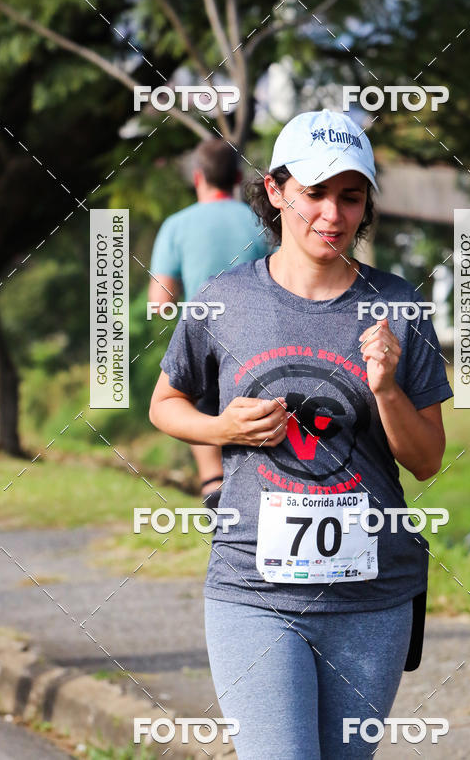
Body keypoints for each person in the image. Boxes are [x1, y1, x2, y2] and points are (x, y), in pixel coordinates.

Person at [149, 109, 453, 759]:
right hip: (254, 593)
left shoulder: (397, 306)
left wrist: (387, 389)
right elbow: (165, 402)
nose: (333, 215)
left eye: (350, 196)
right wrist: (220, 425)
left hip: (373, 597)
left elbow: (426, 461)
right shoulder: (224, 300)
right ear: (275, 190)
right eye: (314, 193)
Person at [149, 138, 269, 508]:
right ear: (237, 177)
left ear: (197, 177)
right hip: (262, 338)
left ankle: (211, 481)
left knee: (190, 402)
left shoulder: (176, 225)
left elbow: (160, 301)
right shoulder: (262, 221)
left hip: (205, 337)